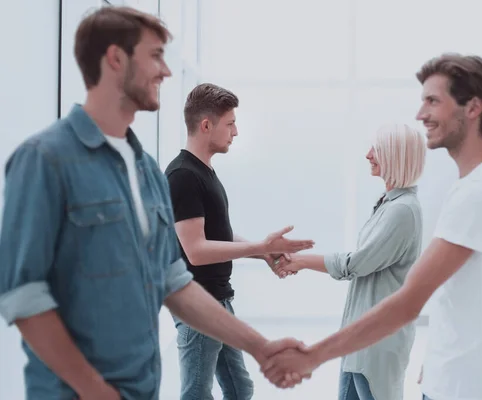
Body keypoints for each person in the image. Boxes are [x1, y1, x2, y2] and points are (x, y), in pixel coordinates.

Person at [0, 6, 308, 400]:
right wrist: (94, 389)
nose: (166, 71)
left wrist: (261, 347)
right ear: (115, 58)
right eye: (156, 55)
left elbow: (173, 280)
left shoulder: (145, 169)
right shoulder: (44, 159)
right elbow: (24, 295)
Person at [262, 53, 482, 400]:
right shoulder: (473, 187)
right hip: (454, 381)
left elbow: (407, 300)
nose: (420, 114)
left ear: (473, 108)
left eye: (433, 101)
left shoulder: (481, 192)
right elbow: (456, 296)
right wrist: (436, 360)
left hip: (468, 390)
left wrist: (314, 356)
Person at [164, 82, 314, 399]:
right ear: (206, 125)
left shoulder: (203, 172)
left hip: (218, 300)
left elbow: (217, 235)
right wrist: (260, 247)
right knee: (196, 392)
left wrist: (263, 253)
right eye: (230, 123)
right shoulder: (183, 176)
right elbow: (196, 251)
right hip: (199, 304)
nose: (236, 132)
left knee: (239, 388)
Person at [274, 123, 426, 400]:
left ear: (396, 156)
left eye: (377, 149)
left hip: (376, 343)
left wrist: (301, 261)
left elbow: (357, 264)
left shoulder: (402, 211)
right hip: (358, 339)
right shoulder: (389, 204)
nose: (368, 154)